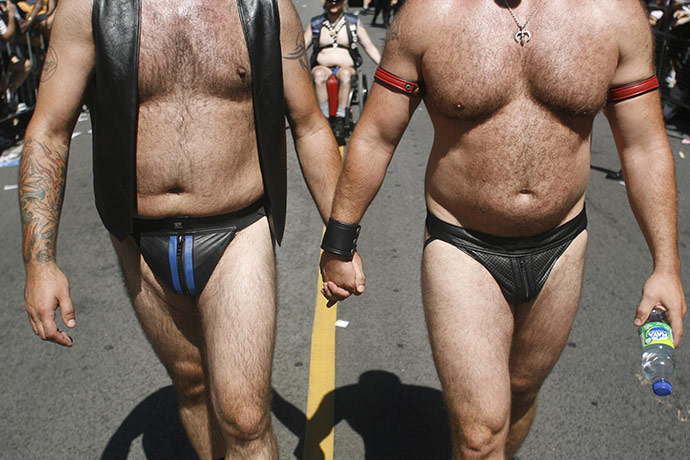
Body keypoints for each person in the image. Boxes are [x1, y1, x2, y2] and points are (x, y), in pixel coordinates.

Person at [319, 1, 687, 459]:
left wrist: (665, 267)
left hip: (563, 244)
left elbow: (645, 146)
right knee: (479, 436)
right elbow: (376, 135)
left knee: (521, 394)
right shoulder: (430, 15)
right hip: (462, 245)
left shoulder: (612, 14)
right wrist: (339, 242)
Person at [18, 0, 343, 459]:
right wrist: (40, 260)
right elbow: (48, 130)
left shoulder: (266, 7)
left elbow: (308, 125)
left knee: (245, 417)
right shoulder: (88, 8)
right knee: (192, 384)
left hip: (238, 231)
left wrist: (340, 239)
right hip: (139, 241)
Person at [304, 0, 381, 143]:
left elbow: (369, 47)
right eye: (330, 1)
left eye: (337, 1)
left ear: (343, 2)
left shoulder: (352, 23)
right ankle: (325, 118)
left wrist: (384, 67)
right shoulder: (316, 23)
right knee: (319, 75)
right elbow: (301, 48)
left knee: (345, 75)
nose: (333, 4)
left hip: (346, 68)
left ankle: (340, 118)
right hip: (322, 67)